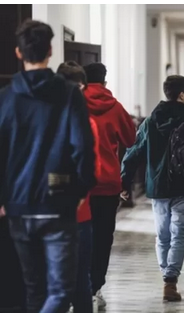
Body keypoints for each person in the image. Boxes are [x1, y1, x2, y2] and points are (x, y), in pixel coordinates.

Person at [0, 20, 96, 312]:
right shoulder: (69, 94)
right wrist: (80, 189)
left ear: (18, 52)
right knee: (60, 289)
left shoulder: (5, 98)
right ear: (51, 50)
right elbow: (83, 147)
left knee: (33, 289)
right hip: (58, 201)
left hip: (17, 205)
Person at [121, 75, 184, 302]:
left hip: (158, 187)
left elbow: (133, 152)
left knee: (162, 236)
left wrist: (124, 182)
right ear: (181, 94)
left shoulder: (149, 122)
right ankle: (171, 280)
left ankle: (166, 277)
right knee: (179, 235)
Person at [83, 62, 136, 309]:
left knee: (79, 236)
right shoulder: (115, 108)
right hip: (107, 183)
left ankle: (79, 286)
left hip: (79, 184)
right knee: (103, 238)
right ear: (105, 82)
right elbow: (130, 138)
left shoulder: (75, 103)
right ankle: (95, 288)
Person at [57, 61, 102, 313]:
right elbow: (89, 171)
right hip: (78, 209)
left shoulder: (39, 118)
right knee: (79, 278)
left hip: (46, 209)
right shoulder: (86, 123)